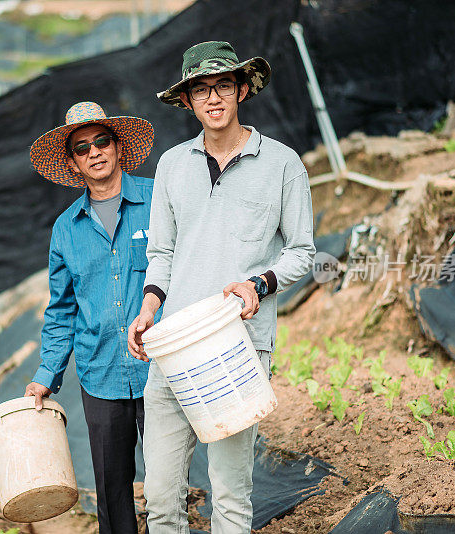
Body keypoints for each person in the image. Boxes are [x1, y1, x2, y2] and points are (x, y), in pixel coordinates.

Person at [127, 41, 315, 533]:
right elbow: (161, 254)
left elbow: (302, 251)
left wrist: (260, 283)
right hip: (174, 347)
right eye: (201, 89)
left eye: (223, 86)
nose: (213, 98)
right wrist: (148, 310)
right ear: (187, 100)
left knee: (230, 497)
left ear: (243, 90)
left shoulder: (282, 164)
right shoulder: (171, 165)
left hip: (238, 348)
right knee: (163, 498)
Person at [26, 101, 156, 534]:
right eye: (83, 148)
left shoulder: (158, 200)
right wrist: (47, 373)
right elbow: (62, 309)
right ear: (73, 162)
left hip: (161, 367)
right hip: (99, 373)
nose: (95, 151)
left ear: (119, 147)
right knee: (113, 490)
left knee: (168, 480)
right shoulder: (66, 229)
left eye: (102, 141)